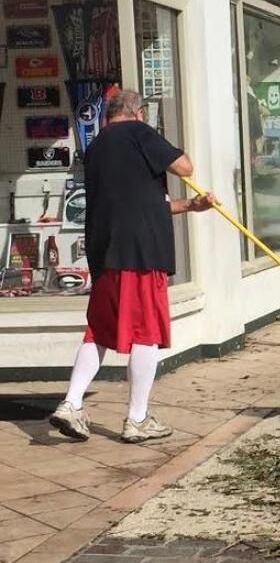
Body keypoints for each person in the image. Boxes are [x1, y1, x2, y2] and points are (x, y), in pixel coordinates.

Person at [49, 90, 216, 443]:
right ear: (138, 113)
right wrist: (155, 137)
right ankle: (137, 419)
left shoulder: (95, 149)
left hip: (105, 253)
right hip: (141, 255)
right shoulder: (139, 132)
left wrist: (190, 205)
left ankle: (71, 403)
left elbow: (140, 201)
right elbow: (185, 167)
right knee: (146, 333)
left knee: (98, 331)